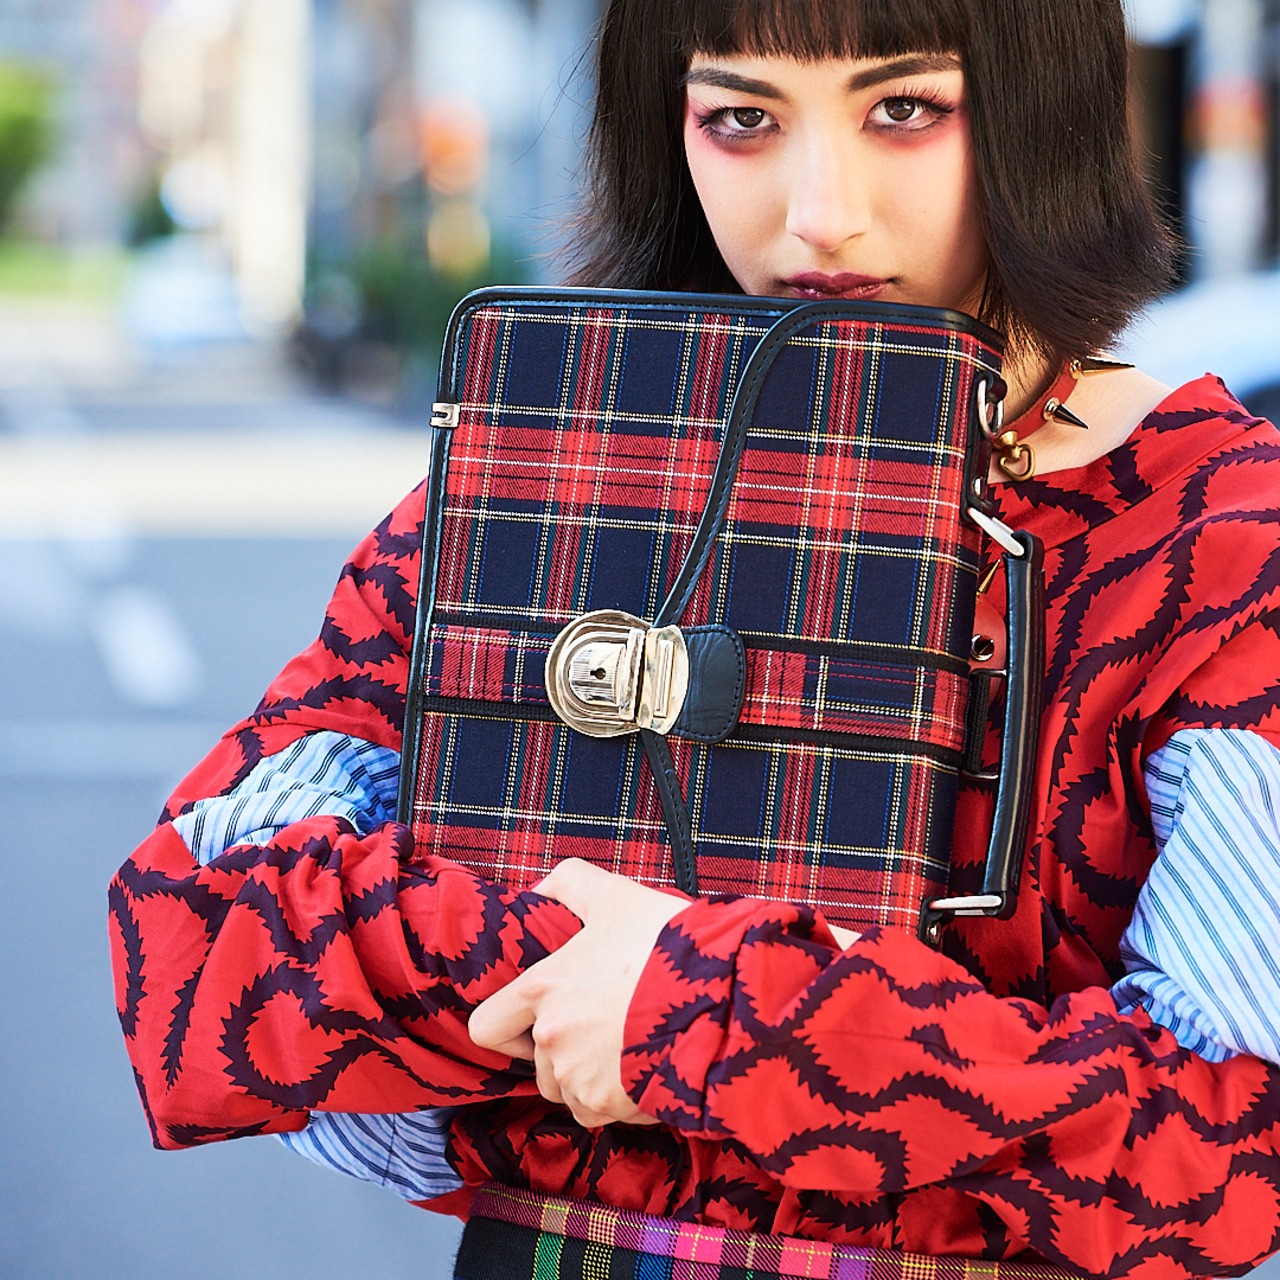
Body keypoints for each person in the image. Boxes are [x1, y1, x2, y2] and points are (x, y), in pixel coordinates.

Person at [108, 1, 1280, 1277]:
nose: (817, 213)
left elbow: (1221, 1143)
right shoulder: (544, 463)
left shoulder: (1211, 528)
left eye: (903, 110)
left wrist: (696, 1006)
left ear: (1041, 108)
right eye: (739, 118)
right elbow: (193, 950)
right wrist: (606, 969)